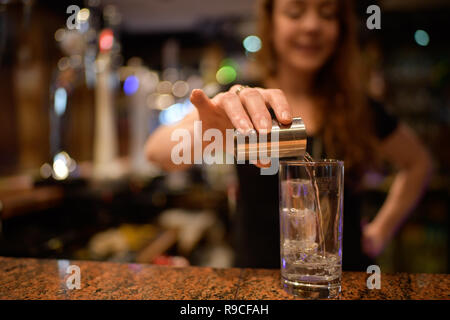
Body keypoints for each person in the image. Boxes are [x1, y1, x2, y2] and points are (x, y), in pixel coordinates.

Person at [145, 0, 432, 270]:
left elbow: (419, 163)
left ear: (341, 28)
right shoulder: (242, 98)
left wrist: (380, 232)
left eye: (327, 13)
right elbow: (158, 153)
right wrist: (207, 128)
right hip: (257, 280)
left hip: (343, 279)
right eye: (295, 12)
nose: (311, 26)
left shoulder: (359, 106)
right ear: (271, 23)